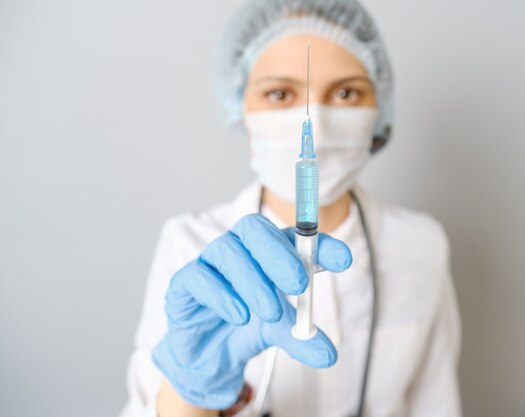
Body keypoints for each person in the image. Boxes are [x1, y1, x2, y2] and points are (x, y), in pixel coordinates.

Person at [119, 0, 462, 416]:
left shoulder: (420, 245)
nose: (314, 121)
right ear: (241, 108)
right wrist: (194, 388)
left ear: (379, 110)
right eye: (279, 93)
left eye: (346, 92)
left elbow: (436, 406)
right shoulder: (190, 246)